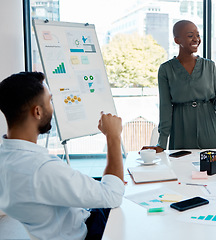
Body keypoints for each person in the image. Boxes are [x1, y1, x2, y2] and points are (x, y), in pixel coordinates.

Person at [0, 72, 125, 240]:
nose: (52, 107)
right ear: (37, 111)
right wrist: (113, 136)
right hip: (86, 232)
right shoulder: (42, 168)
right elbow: (113, 195)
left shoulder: (5, 157)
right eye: (50, 101)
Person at [143, 20, 216, 152]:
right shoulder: (166, 69)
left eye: (198, 35)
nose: (196, 39)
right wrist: (161, 144)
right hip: (182, 134)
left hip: (211, 132)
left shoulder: (209, 66)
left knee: (214, 172)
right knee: (182, 171)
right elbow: (165, 108)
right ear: (177, 40)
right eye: (190, 35)